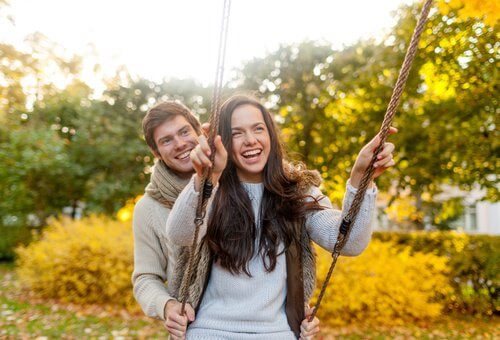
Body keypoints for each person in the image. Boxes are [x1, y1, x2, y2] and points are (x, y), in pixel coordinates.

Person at [166, 94, 396, 339]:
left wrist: (361, 178)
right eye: (237, 133)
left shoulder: (298, 191)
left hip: (276, 333)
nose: (250, 140)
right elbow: (180, 234)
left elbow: (348, 242)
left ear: (270, 135)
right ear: (222, 142)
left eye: (258, 129)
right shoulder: (214, 188)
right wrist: (206, 178)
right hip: (209, 331)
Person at [132, 100, 321, 340]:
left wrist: (293, 309)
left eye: (184, 132)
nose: (180, 144)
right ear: (156, 152)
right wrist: (167, 306)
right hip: (198, 324)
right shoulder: (149, 208)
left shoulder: (243, 180)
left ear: (200, 132)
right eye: (166, 140)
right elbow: (146, 277)